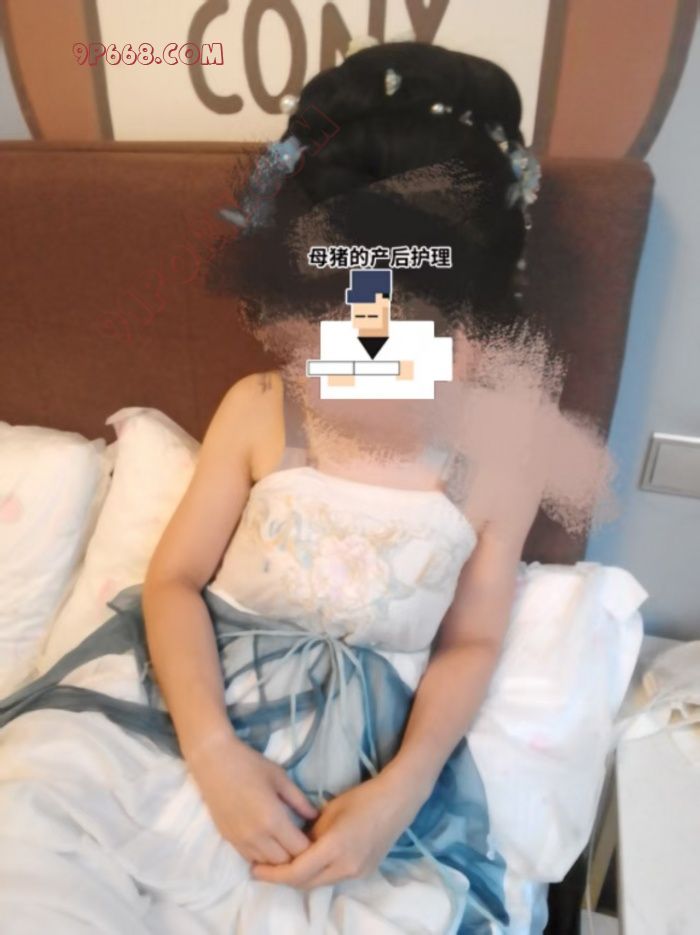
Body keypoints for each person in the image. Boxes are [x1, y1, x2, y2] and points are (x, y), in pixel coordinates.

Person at [0, 39, 548, 934]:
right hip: (173, 722)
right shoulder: (261, 408)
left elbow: (473, 640)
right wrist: (213, 751)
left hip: (349, 779)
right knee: (32, 825)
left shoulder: (501, 465)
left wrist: (404, 789)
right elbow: (175, 580)